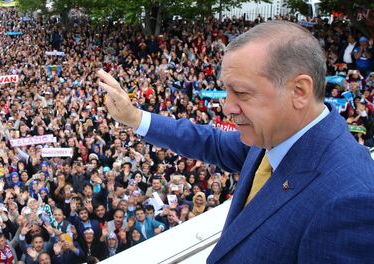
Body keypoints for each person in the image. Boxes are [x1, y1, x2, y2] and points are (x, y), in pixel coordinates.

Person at [97, 20, 374, 263]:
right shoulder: (273, 135)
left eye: (241, 93)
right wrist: (134, 118)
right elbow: (210, 142)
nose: (227, 107)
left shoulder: (350, 200)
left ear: (299, 91)